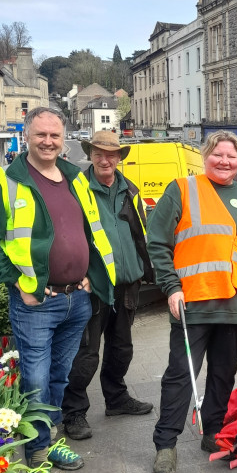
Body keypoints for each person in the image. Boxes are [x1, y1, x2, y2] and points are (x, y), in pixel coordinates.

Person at [0, 107, 116, 473]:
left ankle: (49, 441)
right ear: (27, 138)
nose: (49, 141)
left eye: (55, 135)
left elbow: (89, 230)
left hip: (77, 300)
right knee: (35, 382)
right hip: (37, 303)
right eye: (41, 135)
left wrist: (91, 278)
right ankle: (36, 462)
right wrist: (19, 281)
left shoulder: (75, 178)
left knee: (58, 377)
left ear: (63, 137)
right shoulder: (6, 182)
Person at [148, 131, 237, 473]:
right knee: (181, 375)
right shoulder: (182, 189)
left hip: (235, 304)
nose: (225, 162)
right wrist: (171, 287)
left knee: (223, 373)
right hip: (195, 301)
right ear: (205, 155)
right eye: (218, 154)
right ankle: (165, 444)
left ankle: (213, 430)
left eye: (231, 156)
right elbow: (157, 242)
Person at [61, 131, 155, 441]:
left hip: (127, 283)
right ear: (90, 154)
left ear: (119, 158)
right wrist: (77, 272)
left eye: (111, 154)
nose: (105, 159)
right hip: (93, 285)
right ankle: (74, 412)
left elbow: (142, 232)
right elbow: (66, 236)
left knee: (122, 349)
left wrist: (144, 268)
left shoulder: (130, 189)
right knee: (86, 354)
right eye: (99, 153)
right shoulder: (77, 189)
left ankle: (116, 399)